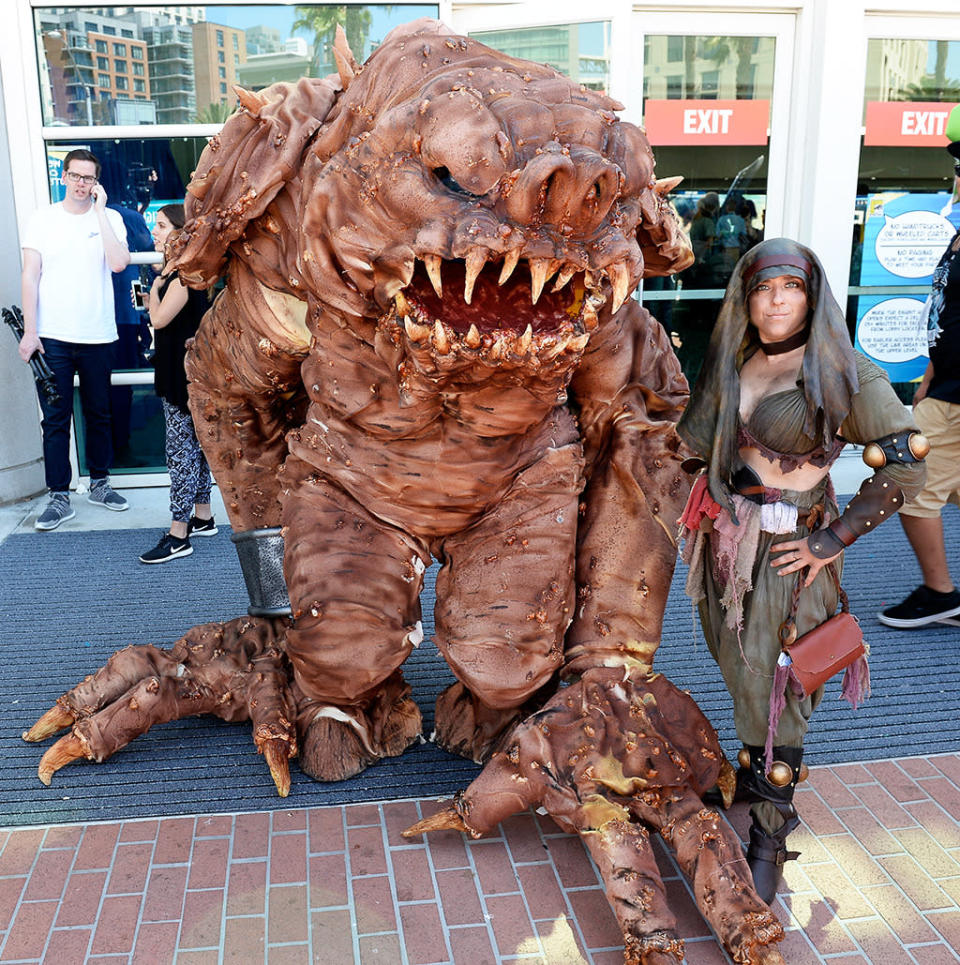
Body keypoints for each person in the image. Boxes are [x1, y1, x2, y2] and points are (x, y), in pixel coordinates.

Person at [677, 238, 926, 903]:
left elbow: (907, 462)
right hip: (726, 547)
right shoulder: (735, 359)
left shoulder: (842, 371)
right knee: (740, 675)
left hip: (791, 554)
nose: (776, 299)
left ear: (811, 295)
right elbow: (695, 446)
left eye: (790, 285)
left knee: (776, 690)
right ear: (746, 299)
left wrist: (833, 538)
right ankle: (753, 774)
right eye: (763, 288)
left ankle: (768, 830)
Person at [19, 148, 131, 530]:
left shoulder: (111, 217)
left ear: (96, 183)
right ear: (63, 177)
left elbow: (118, 263)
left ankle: (100, 483)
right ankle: (59, 496)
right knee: (55, 419)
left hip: (98, 333)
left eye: (89, 178)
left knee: (100, 412)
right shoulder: (42, 220)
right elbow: (30, 276)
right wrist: (30, 331)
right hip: (52, 336)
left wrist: (100, 212)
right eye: (76, 176)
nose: (82, 184)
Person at [879, 106, 960, 629]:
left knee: (911, 485)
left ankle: (940, 593)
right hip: (945, 386)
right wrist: (929, 373)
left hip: (956, 398)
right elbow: (947, 312)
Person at [138, 203, 216, 564]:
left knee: (180, 454)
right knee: (194, 449)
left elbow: (158, 318)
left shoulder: (181, 278)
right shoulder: (185, 274)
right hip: (184, 375)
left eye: (161, 225)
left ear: (179, 233)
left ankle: (178, 534)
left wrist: (153, 288)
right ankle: (203, 516)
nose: (154, 231)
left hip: (181, 379)